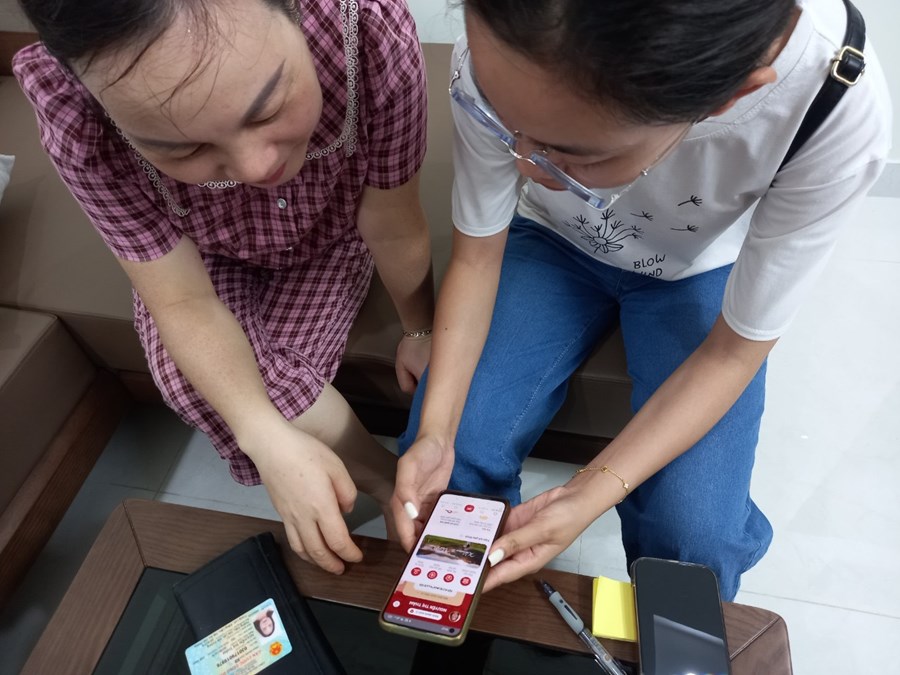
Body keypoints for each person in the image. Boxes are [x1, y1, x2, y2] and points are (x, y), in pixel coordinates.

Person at [393, 0, 891, 600]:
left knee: (693, 542)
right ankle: (477, 618)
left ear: (728, 95)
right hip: (551, 241)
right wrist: (436, 431)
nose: (524, 164)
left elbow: (731, 354)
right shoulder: (505, 33)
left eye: (572, 154)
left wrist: (590, 493)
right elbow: (477, 258)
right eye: (503, 123)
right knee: (452, 470)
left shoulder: (833, 104)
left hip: (703, 266)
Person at [14, 0, 433, 575]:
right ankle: (385, 479)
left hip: (332, 236)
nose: (257, 169)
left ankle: (379, 481)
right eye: (184, 149)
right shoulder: (73, 112)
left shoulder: (368, 34)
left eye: (269, 110)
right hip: (203, 251)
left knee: (227, 388)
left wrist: (420, 329)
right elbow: (182, 299)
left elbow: (392, 220)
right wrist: (265, 439)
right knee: (199, 381)